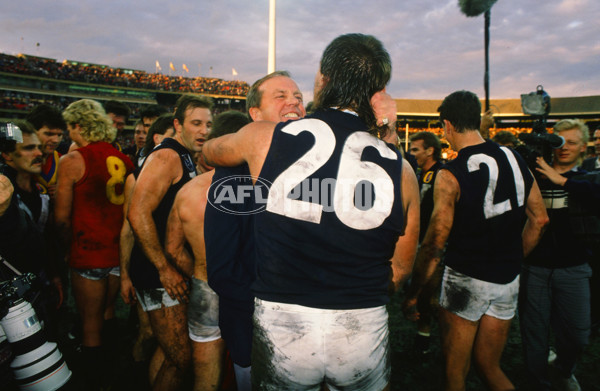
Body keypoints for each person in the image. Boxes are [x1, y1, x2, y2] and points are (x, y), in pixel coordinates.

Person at [203, 33, 419, 390]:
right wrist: (386, 132)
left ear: (322, 78)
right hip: (361, 325)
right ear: (377, 92)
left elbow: (211, 151)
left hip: (283, 323)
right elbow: (400, 268)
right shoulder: (404, 171)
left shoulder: (263, 138)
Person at [402, 90, 548, 391]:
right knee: (489, 366)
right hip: (506, 280)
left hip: (465, 279)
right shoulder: (514, 156)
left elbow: (435, 242)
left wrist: (414, 292)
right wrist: (512, 259)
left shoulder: (450, 174)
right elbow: (540, 219)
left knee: (454, 374)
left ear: (447, 126)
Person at [203, 70, 306, 390]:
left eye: (298, 97)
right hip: (257, 325)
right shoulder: (233, 172)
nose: (294, 102)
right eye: (281, 96)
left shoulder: (314, 166)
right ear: (254, 114)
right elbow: (222, 268)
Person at [128, 95, 212, 391]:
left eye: (209, 125)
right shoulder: (167, 156)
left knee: (168, 352)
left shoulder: (186, 154)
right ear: (177, 124)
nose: (204, 131)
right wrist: (163, 268)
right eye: (196, 123)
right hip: (157, 271)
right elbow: (137, 213)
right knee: (182, 358)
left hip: (167, 268)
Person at [165, 110, 250, 391]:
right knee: (251, 370)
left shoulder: (189, 191)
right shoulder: (258, 188)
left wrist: (200, 272)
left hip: (204, 284)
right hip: (246, 287)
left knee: (205, 379)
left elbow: (173, 249)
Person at [54, 99, 134, 388]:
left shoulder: (73, 160)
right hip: (116, 252)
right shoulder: (122, 158)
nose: (67, 133)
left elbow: (61, 218)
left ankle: (94, 380)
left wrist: (64, 251)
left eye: (69, 127)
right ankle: (114, 373)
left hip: (88, 251)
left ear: (78, 125)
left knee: (89, 325)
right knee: (108, 314)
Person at [520, 119, 597, 391]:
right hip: (535, 267)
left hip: (574, 268)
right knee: (534, 334)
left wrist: (560, 180)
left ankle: (564, 369)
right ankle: (538, 381)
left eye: (572, 142)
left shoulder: (589, 176)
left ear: (584, 148)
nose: (564, 148)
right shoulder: (533, 174)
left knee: (577, 335)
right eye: (559, 142)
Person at [119, 114, 176, 380]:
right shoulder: (136, 177)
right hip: (148, 269)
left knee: (169, 344)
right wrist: (125, 275)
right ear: (159, 139)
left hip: (172, 270)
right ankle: (131, 374)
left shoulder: (185, 169)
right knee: (149, 334)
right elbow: (128, 230)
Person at [0, 120, 63, 337]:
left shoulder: (40, 188)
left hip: (39, 283)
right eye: (28, 148)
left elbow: (45, 237)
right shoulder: (3, 190)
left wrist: (54, 275)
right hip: (8, 296)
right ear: (7, 155)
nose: (39, 153)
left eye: (38, 146)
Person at [407, 131, 444, 355]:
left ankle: (429, 340)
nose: (411, 154)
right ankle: (423, 339)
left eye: (415, 149)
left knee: (430, 295)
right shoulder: (422, 174)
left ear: (430, 150)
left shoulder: (442, 174)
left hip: (436, 246)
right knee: (423, 294)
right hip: (421, 242)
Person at [26, 104, 67, 198]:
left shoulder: (63, 161)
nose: (56, 140)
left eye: (59, 135)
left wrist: (66, 191)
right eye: (49, 134)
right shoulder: (17, 161)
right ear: (32, 131)